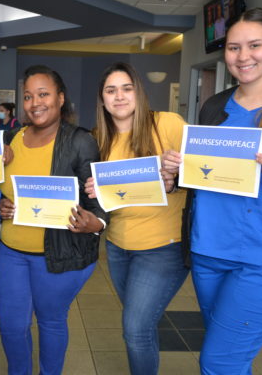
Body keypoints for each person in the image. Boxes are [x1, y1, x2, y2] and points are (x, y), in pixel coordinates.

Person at [162, 8, 262, 374]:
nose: (243, 56)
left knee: (218, 362)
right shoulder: (214, 106)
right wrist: (176, 173)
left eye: (255, 45)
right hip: (208, 253)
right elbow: (206, 177)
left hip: (260, 262)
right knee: (232, 360)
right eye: (234, 48)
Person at [0, 64, 108, 375]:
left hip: (58, 254)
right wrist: (0, 205)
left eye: (43, 94)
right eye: (29, 96)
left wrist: (94, 222)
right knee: (11, 325)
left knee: (50, 320)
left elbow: (98, 201)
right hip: (11, 252)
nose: (36, 103)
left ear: (60, 98)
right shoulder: (11, 137)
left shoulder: (80, 141)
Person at [83, 62, 188, 375]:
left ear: (138, 93)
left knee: (135, 328)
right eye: (111, 90)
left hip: (163, 247)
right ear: (102, 100)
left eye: (127, 88)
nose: (119, 97)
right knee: (140, 324)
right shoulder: (97, 139)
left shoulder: (168, 124)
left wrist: (177, 175)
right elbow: (104, 199)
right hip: (117, 247)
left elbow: (203, 171)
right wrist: (93, 191)